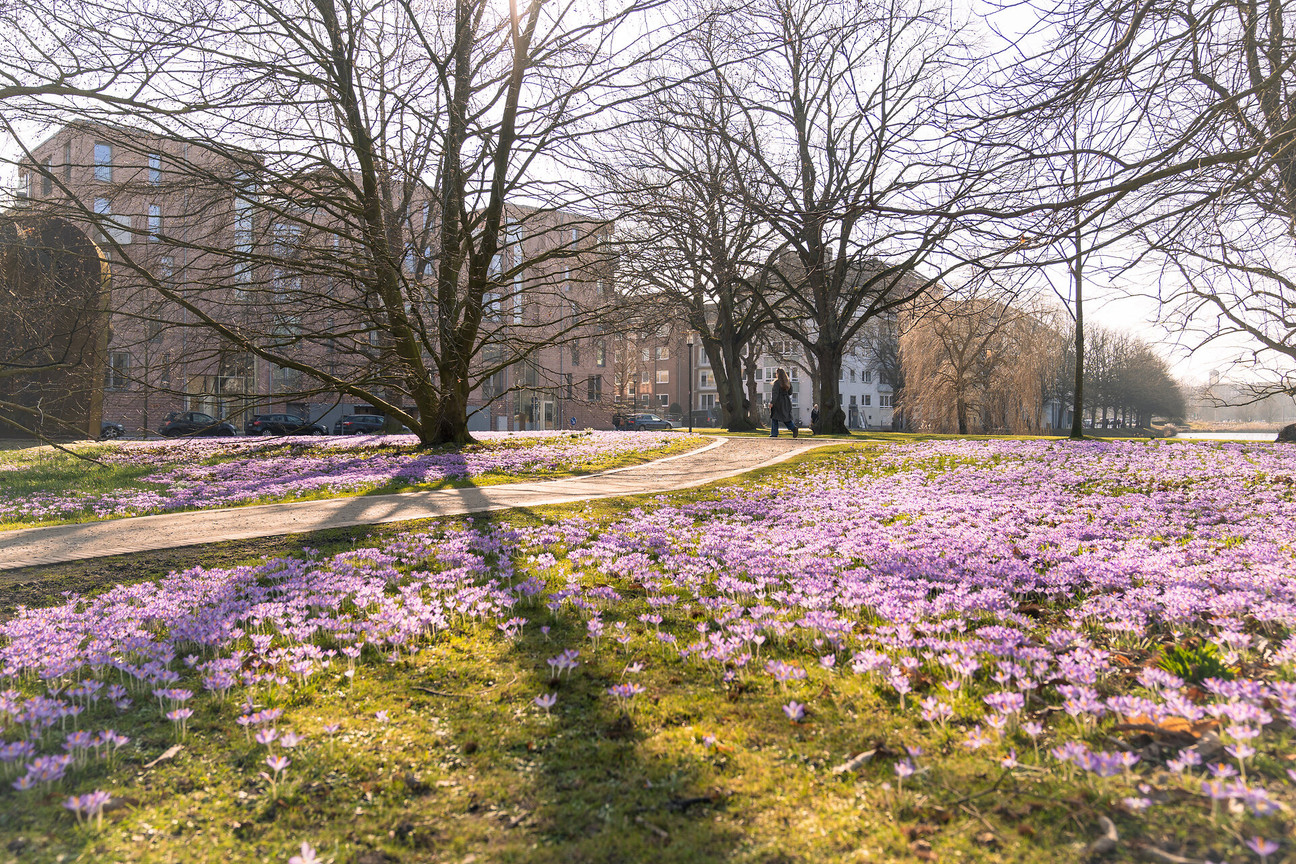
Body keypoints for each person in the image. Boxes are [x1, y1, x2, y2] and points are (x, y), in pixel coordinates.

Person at [769, 368, 797, 438]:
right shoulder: (788, 382)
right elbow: (790, 393)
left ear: (778, 374)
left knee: (775, 417)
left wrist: (772, 403)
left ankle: (774, 433)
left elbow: (775, 394)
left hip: (778, 402)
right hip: (786, 402)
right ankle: (793, 428)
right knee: (786, 417)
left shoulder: (777, 383)